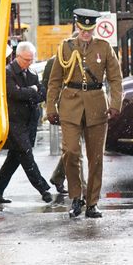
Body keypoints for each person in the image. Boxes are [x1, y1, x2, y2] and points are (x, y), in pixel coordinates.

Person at [45, 8, 123, 219]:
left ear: (94, 28)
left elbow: (115, 78)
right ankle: (76, 197)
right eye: (83, 29)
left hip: (97, 105)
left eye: (90, 29)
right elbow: (54, 81)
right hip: (70, 104)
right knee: (70, 152)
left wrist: (116, 103)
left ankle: (92, 202)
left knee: (95, 158)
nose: (86, 33)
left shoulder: (104, 47)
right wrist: (50, 107)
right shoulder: (65, 48)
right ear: (77, 26)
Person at [0, 42, 53, 204]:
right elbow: (14, 93)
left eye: (31, 60)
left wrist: (30, 92)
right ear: (17, 57)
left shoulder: (31, 73)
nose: (29, 63)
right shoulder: (8, 73)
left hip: (28, 122)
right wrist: (32, 91)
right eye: (26, 60)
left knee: (14, 159)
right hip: (14, 121)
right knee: (26, 155)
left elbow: (42, 93)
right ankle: (43, 189)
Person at [42, 55, 85, 195]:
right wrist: (52, 107)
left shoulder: (85, 57)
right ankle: (82, 188)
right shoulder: (56, 61)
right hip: (67, 108)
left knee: (71, 148)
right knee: (74, 148)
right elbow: (49, 85)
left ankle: (58, 176)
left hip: (84, 107)